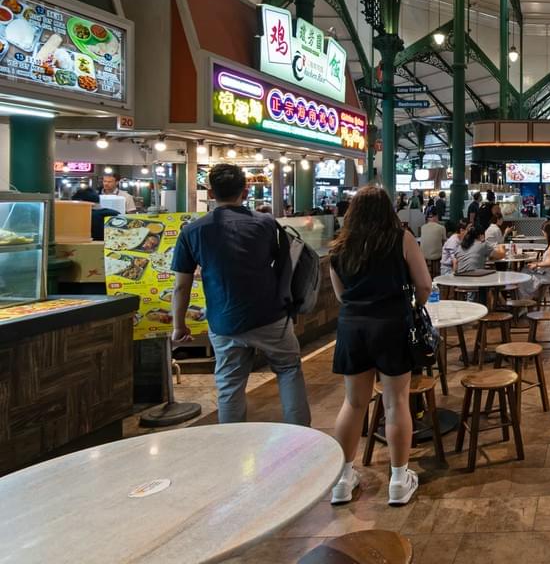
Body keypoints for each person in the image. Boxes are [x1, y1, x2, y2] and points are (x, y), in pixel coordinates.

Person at [171, 164, 310, 426]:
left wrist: (179, 326)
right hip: (271, 316)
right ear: (245, 192)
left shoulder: (192, 231)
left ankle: (233, 448)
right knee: (289, 370)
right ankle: (303, 437)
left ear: (210, 193)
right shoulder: (266, 224)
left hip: (225, 321)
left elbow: (181, 286)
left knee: (229, 385)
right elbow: (285, 267)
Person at [324, 186, 429, 506]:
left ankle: (341, 480)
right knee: (396, 402)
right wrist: (412, 307)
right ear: (388, 209)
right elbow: (424, 283)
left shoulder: (339, 245)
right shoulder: (401, 238)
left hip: (353, 326)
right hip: (392, 323)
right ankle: (399, 480)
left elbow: (341, 295)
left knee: (353, 403)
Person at [519, 221, 550, 299]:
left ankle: (525, 300)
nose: (544, 235)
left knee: (523, 274)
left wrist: (537, 264)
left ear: (549, 232)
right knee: (526, 270)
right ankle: (535, 298)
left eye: (544, 233)